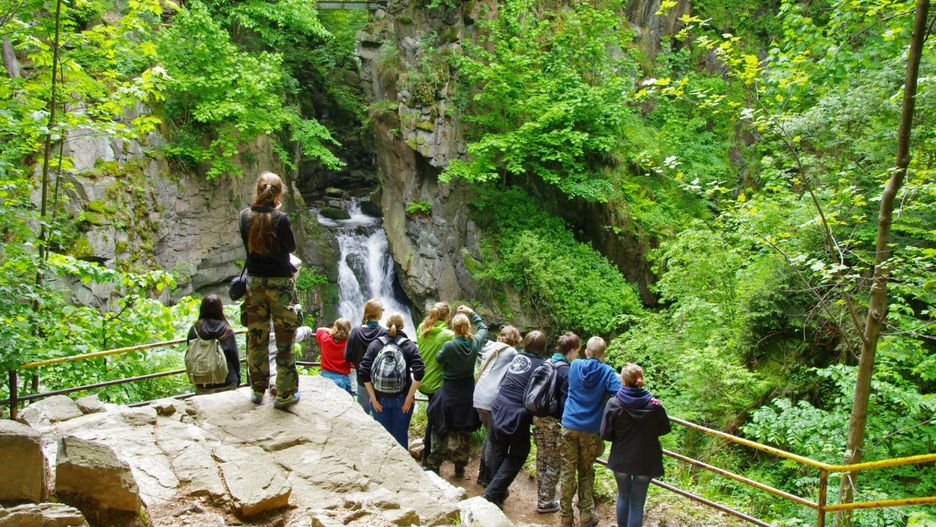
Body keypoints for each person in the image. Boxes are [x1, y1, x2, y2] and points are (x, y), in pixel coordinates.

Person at [239, 172, 301, 410]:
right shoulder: (281, 219)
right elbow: (291, 246)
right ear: (279, 193)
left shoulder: (245, 217)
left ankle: (257, 390)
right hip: (280, 286)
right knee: (285, 340)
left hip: (254, 285)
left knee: (256, 338)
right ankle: (285, 393)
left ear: (257, 190)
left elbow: (248, 245)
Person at [559, 336, 622, 527]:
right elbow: (619, 393)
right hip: (591, 430)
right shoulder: (607, 371)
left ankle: (565, 517)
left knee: (567, 471)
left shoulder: (576, 365)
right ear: (603, 354)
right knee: (586, 470)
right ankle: (585, 515)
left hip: (569, 425)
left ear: (586, 351)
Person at [482, 330, 548, 507]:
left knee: (499, 449)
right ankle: (491, 493)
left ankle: (497, 495)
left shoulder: (516, 357)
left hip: (499, 406)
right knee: (519, 453)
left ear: (525, 344)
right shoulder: (542, 366)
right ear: (542, 349)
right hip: (516, 414)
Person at [601, 363, 671, 527]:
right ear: (641, 380)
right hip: (646, 460)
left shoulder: (614, 403)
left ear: (623, 382)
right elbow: (665, 428)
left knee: (623, 496)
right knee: (637, 504)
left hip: (622, 459)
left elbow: (605, 434)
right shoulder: (655, 406)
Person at [424, 305, 487, 476]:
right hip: (467, 393)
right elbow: (483, 328)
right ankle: (459, 466)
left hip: (449, 392)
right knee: (464, 431)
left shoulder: (450, 345)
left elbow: (438, 359)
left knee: (440, 425)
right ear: (468, 327)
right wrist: (470, 312)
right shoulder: (475, 343)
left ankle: (434, 463)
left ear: (453, 328)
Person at [359, 313, 425, 448]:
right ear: (403, 326)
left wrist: (373, 397)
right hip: (402, 399)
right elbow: (419, 372)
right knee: (400, 437)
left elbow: (363, 371)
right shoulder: (409, 345)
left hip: (379, 399)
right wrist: (409, 398)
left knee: (383, 439)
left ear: (387, 325)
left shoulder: (375, 344)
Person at [533, 332, 580, 514]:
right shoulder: (565, 371)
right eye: (577, 350)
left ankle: (542, 496)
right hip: (553, 422)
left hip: (538, 418)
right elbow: (564, 401)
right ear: (572, 350)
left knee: (542, 458)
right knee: (554, 462)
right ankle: (545, 502)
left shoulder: (548, 362)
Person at [473, 325, 521, 486]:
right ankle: (487, 476)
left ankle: (482, 474)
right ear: (514, 340)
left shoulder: (489, 346)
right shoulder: (512, 353)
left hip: (479, 395)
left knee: (490, 434)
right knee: (494, 438)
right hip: (492, 399)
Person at [416, 302, 455, 465]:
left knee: (432, 418)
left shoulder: (421, 328)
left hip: (421, 381)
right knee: (435, 421)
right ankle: (430, 459)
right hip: (436, 385)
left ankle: (427, 454)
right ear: (447, 316)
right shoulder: (447, 335)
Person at [186, 294, 241, 394]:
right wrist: (238, 376)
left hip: (203, 381)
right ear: (220, 309)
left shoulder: (194, 330)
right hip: (227, 380)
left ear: (202, 309)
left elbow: (190, 354)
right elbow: (234, 357)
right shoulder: (226, 330)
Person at [345, 298, 387, 413]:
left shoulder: (355, 331)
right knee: (380, 412)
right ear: (379, 314)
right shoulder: (384, 333)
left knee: (362, 412)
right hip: (380, 381)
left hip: (362, 378)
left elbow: (347, 356)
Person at [315, 318, 353, 394]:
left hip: (325, 377)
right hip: (342, 380)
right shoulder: (350, 344)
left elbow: (319, 329)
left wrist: (332, 331)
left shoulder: (324, 339)